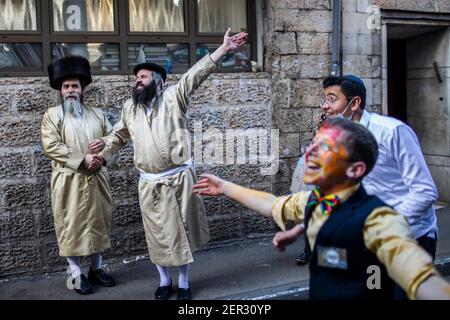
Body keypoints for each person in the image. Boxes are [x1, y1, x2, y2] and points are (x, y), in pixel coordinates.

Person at [193, 118, 450, 300]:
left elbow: (417, 275)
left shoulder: (377, 219)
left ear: (355, 170)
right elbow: (272, 204)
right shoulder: (316, 202)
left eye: (325, 148)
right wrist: (225, 186)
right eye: (313, 145)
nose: (311, 154)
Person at [88, 29, 248, 300]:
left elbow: (196, 74)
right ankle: (164, 281)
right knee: (157, 235)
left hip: (178, 179)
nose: (138, 81)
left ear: (158, 81)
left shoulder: (175, 98)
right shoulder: (130, 108)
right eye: (137, 77)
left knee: (181, 234)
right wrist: (103, 147)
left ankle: (184, 282)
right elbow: (119, 136)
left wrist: (223, 49)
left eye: (143, 77)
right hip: (149, 184)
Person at [289, 74, 439, 269]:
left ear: (354, 103)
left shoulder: (392, 132)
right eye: (324, 99)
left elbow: (425, 192)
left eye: (332, 100)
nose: (325, 106)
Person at [41, 56, 115, 295]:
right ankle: (75, 273)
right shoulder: (52, 115)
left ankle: (96, 268)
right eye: (66, 86)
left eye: (75, 86)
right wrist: (83, 158)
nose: (71, 90)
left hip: (96, 179)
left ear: (82, 89)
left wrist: (102, 153)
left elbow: (113, 138)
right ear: (60, 91)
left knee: (98, 224)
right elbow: (51, 145)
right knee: (70, 227)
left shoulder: (97, 114)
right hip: (68, 181)